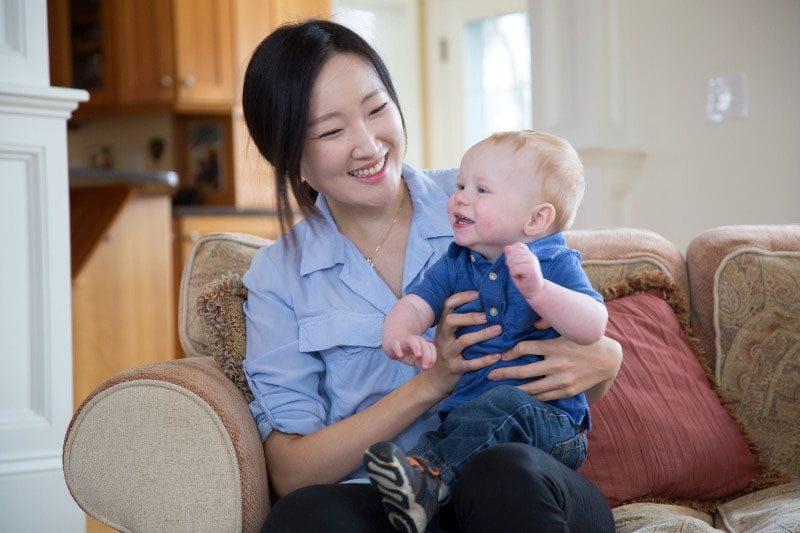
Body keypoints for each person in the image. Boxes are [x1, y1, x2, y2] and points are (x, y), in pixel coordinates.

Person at [241, 19, 621, 532]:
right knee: (303, 516)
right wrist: (432, 383)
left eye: (377, 110)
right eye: (331, 131)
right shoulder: (278, 276)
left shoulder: (487, 200)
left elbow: (578, 328)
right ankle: (424, 482)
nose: (368, 145)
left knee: (503, 474)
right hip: (387, 502)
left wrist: (607, 359)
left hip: (519, 483)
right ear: (291, 159)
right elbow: (293, 472)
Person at [364, 131, 607, 532]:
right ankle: (419, 484)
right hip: (473, 423)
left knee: (505, 405)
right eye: (460, 185)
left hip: (548, 423)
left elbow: (593, 325)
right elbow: (416, 304)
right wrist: (400, 335)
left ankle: (431, 482)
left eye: (481, 190)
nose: (460, 198)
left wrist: (540, 292)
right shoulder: (457, 261)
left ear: (536, 219)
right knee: (449, 430)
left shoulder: (554, 262)